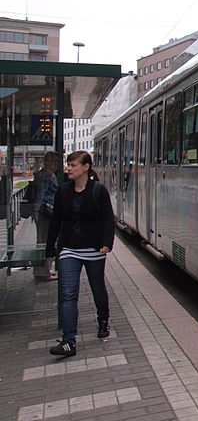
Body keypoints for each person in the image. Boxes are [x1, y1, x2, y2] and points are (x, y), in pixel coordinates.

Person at [45, 151, 115, 357]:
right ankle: (69, 341)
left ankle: (103, 321)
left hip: (94, 249)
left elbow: (107, 219)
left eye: (73, 165)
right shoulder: (63, 191)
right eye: (68, 165)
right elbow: (56, 221)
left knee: (97, 287)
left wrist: (106, 243)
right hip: (69, 249)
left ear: (86, 167)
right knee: (68, 294)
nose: (69, 168)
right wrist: (51, 248)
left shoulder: (98, 191)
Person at [32, 151, 60, 281]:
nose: (56, 164)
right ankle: (42, 272)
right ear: (47, 162)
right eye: (54, 161)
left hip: (47, 211)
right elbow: (40, 194)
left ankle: (44, 270)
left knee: (46, 240)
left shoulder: (49, 175)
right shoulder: (45, 176)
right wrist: (37, 211)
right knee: (44, 241)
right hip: (45, 212)